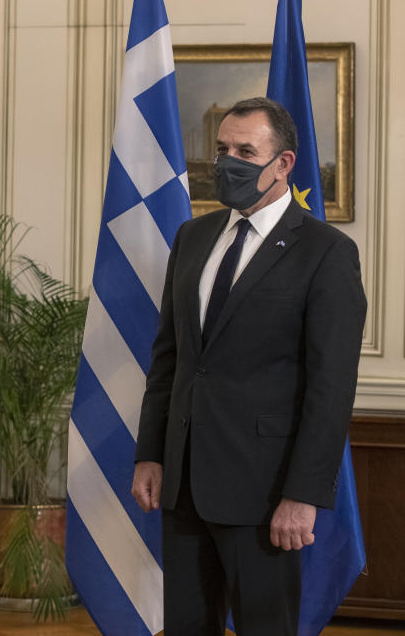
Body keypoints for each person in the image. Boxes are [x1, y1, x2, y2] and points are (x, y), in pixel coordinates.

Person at [131, 97, 367, 636]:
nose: (227, 163)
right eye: (221, 150)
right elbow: (170, 359)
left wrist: (303, 496)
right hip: (183, 482)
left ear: (283, 164)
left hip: (265, 493)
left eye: (244, 151)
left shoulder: (326, 253)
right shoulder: (193, 238)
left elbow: (330, 390)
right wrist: (150, 454)